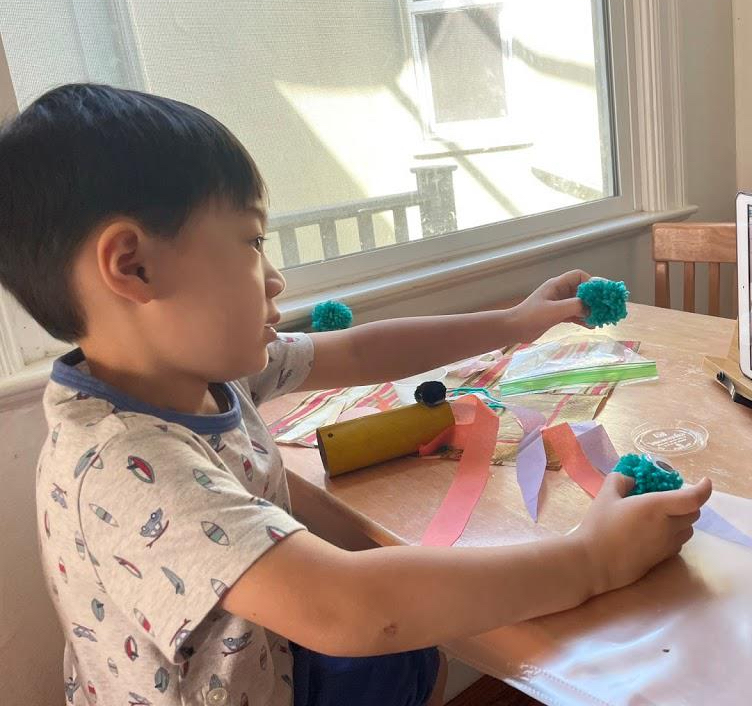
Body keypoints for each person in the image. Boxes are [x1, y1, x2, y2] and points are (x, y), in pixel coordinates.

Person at [1, 84, 712, 706]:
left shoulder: (196, 373)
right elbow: (352, 609)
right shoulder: (125, 465)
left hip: (270, 662)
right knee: (400, 628)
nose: (274, 278)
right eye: (251, 242)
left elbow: (361, 349)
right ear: (133, 265)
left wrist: (515, 323)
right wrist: (593, 560)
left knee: (407, 643)